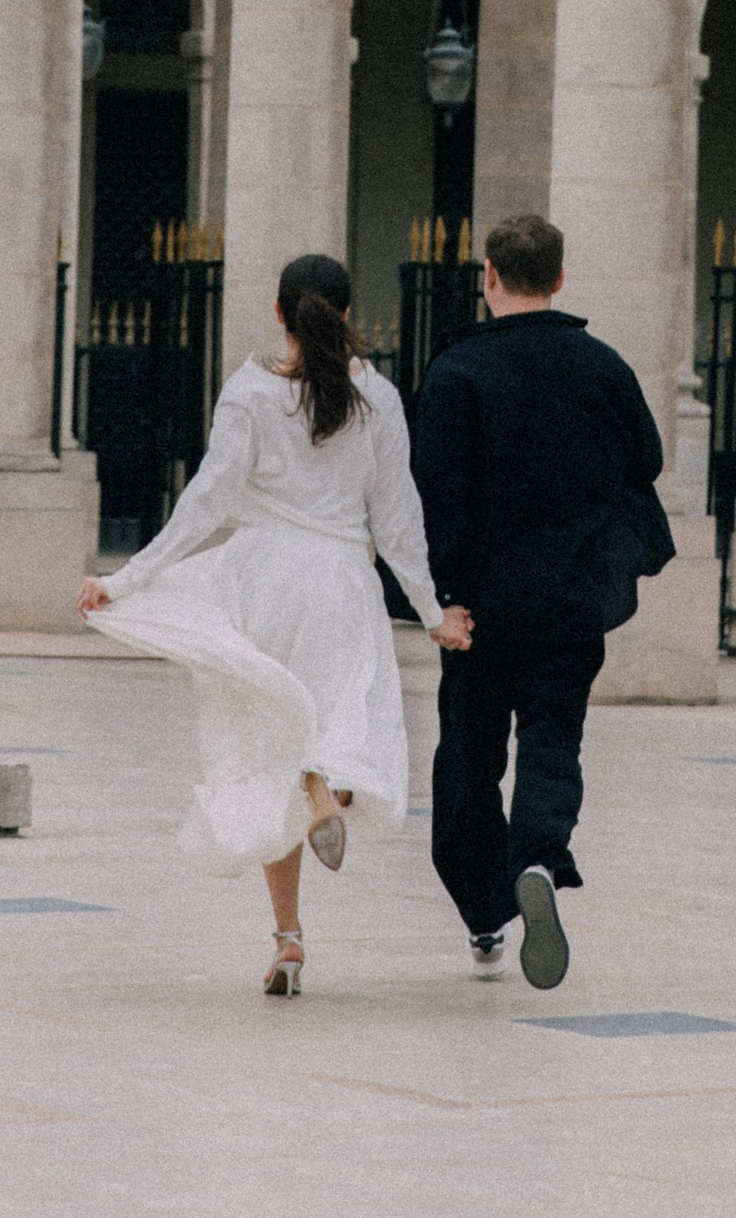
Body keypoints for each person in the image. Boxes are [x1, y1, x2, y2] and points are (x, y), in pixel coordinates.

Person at [77, 249, 469, 997]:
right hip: (340, 584)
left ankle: (289, 938)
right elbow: (398, 519)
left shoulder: (252, 391)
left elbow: (206, 502)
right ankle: (323, 790)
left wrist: (124, 579)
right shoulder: (377, 398)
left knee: (272, 745)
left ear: (280, 313)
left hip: (262, 583)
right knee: (346, 731)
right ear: (347, 314)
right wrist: (431, 611)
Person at [411, 211, 674, 990]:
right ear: (560, 277)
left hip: (479, 608)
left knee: (469, 758)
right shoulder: (603, 366)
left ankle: (485, 913)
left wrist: (434, 598)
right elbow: (647, 458)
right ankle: (537, 856)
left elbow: (433, 496)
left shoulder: (458, 371)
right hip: (571, 598)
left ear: (488, 276)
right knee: (553, 741)